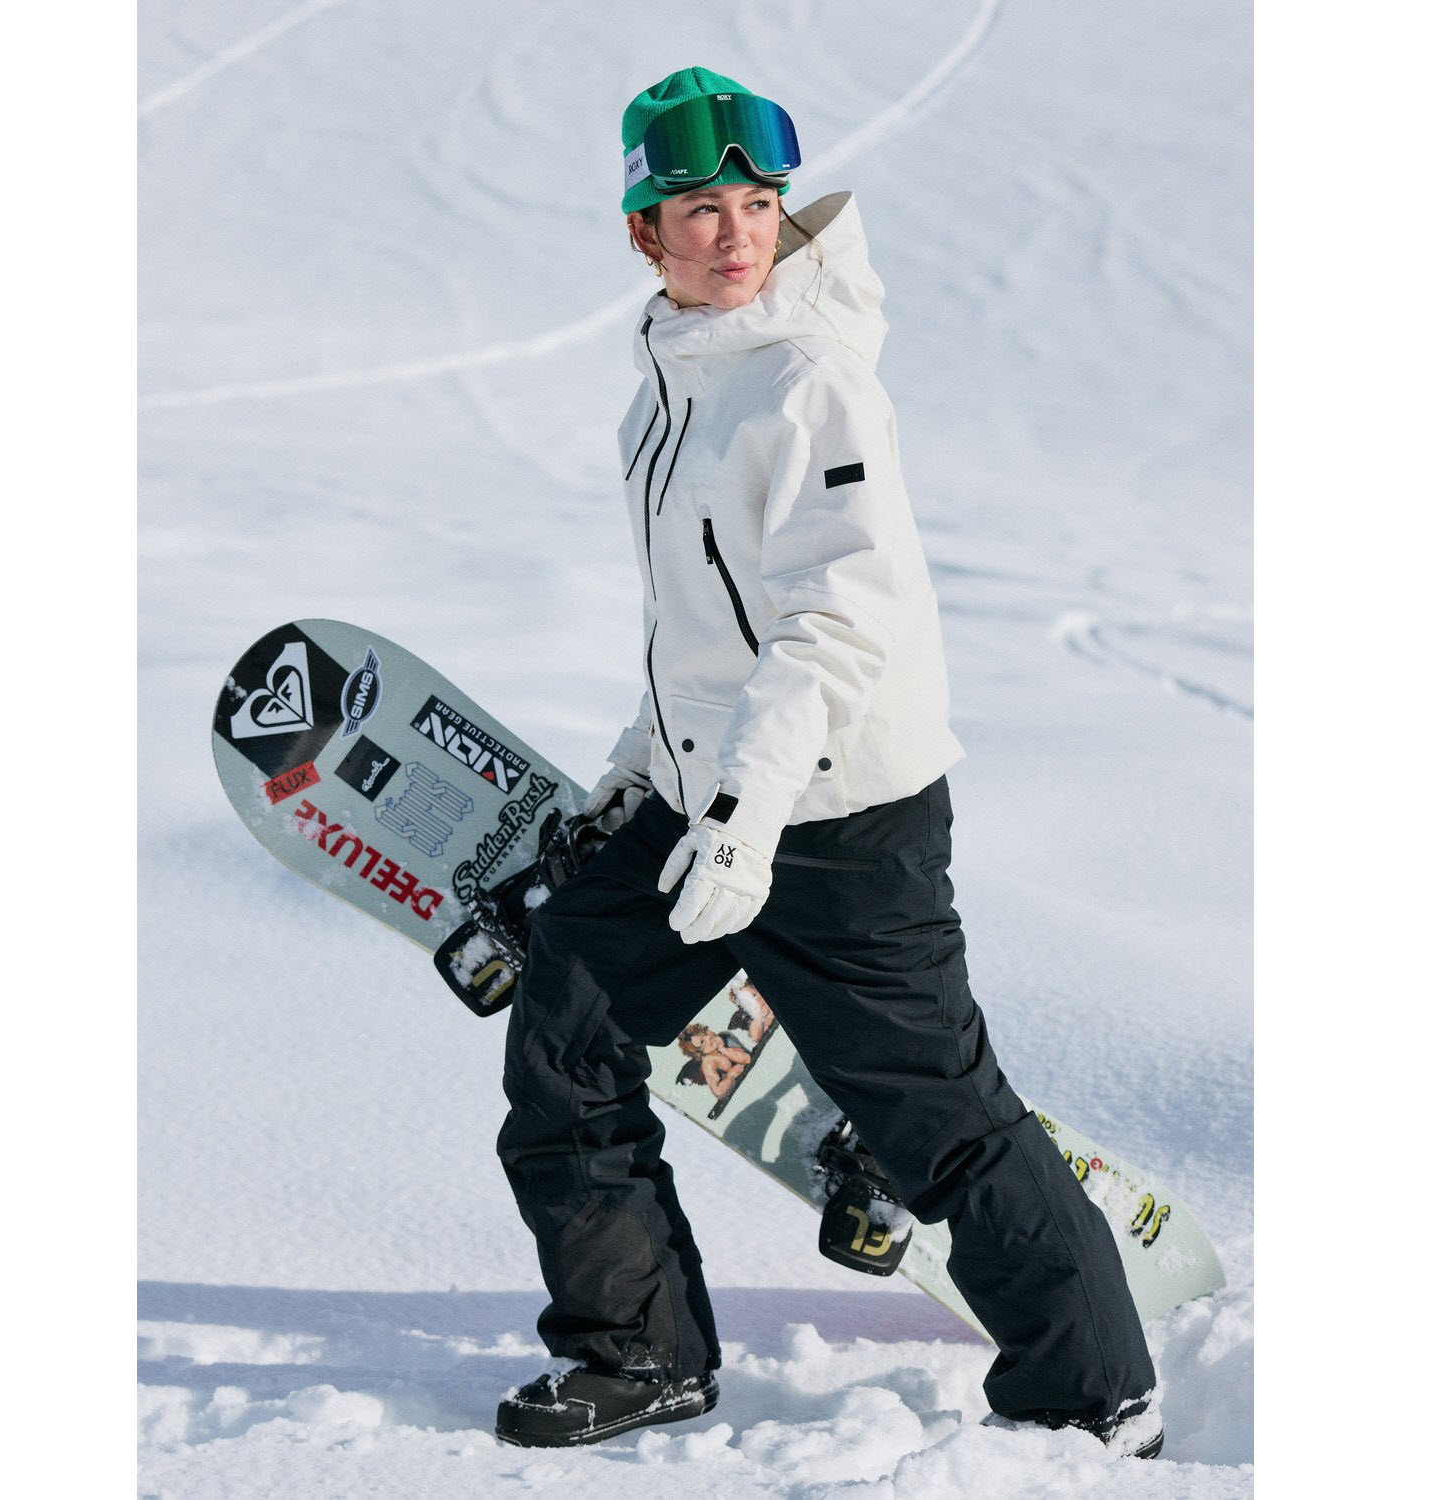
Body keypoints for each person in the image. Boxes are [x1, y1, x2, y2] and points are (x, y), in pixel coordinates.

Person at [493, 66, 1162, 1457]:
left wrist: (743, 819)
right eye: (700, 208)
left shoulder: (810, 381)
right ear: (644, 233)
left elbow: (835, 620)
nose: (736, 232)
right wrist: (639, 774)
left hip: (845, 823)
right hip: (705, 803)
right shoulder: (671, 391)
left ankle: (1094, 1390)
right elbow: (700, 640)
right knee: (566, 1045)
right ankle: (638, 1351)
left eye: (757, 203)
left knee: (944, 1124)